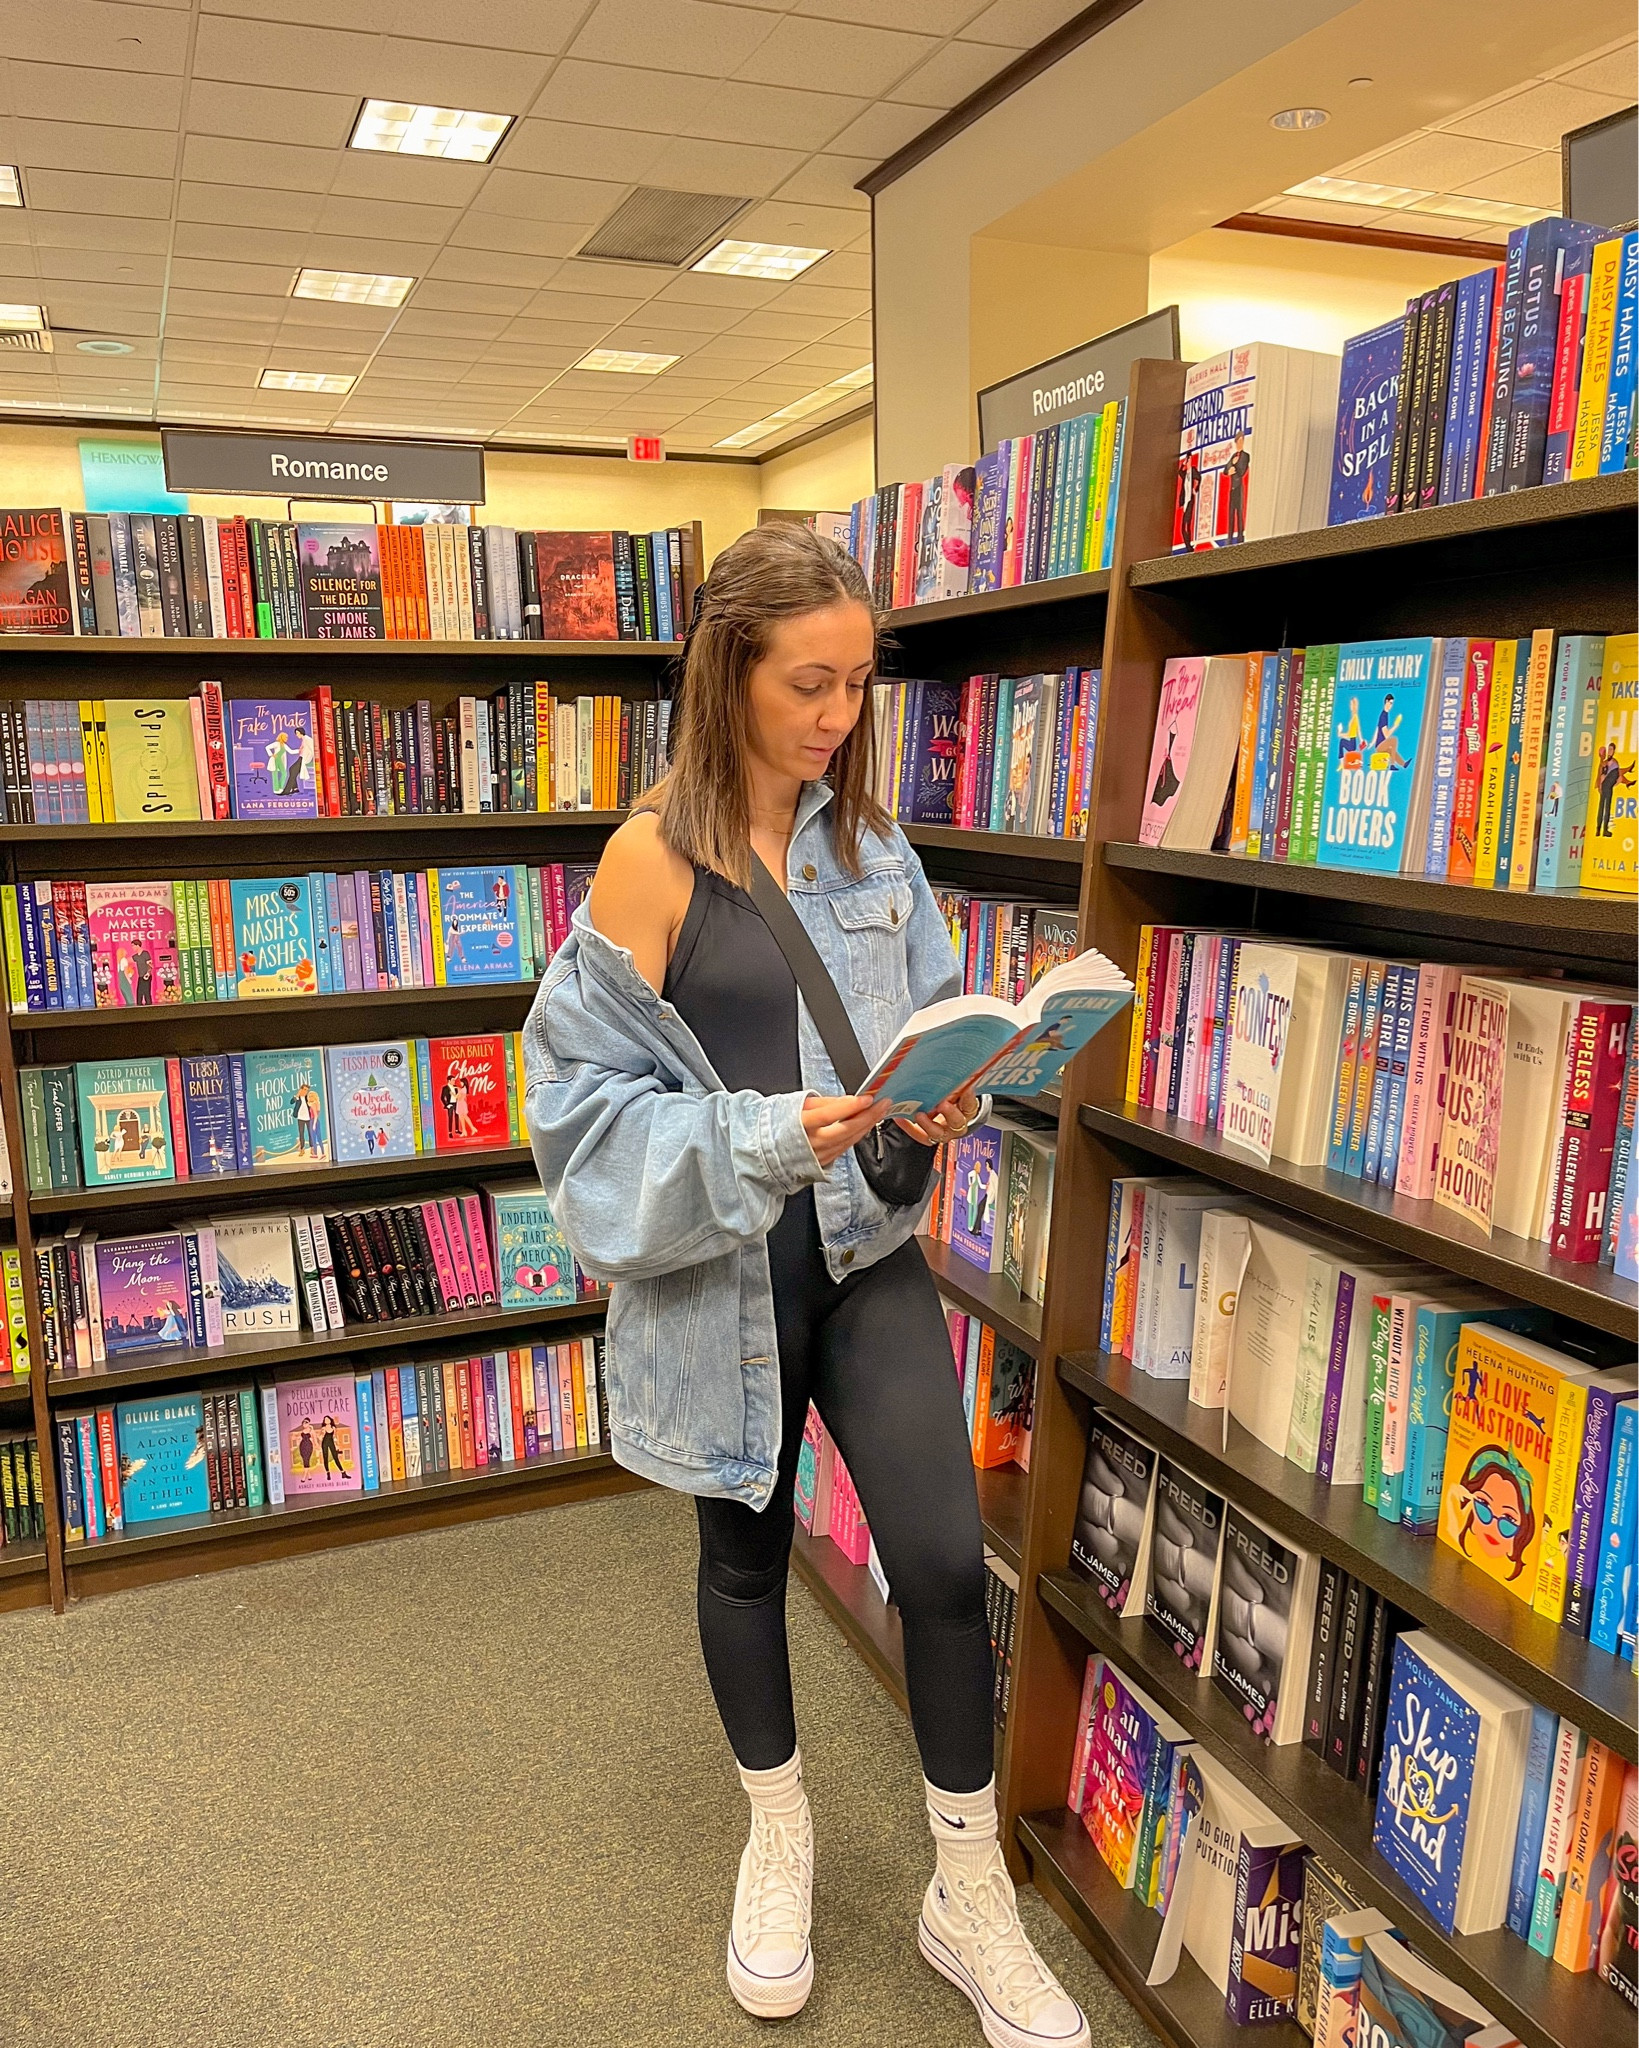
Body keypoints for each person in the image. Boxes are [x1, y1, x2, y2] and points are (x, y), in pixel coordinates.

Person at [525, 523, 1089, 2047]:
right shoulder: (649, 862)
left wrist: (955, 1090)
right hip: (724, 1279)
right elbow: (576, 1123)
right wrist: (769, 1130)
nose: (839, 714)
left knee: (948, 1565)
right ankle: (778, 1833)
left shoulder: (874, 848)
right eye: (810, 683)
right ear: (730, 672)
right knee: (743, 1559)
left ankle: (967, 1894)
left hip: (866, 1261)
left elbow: (919, 1031)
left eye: (859, 683)